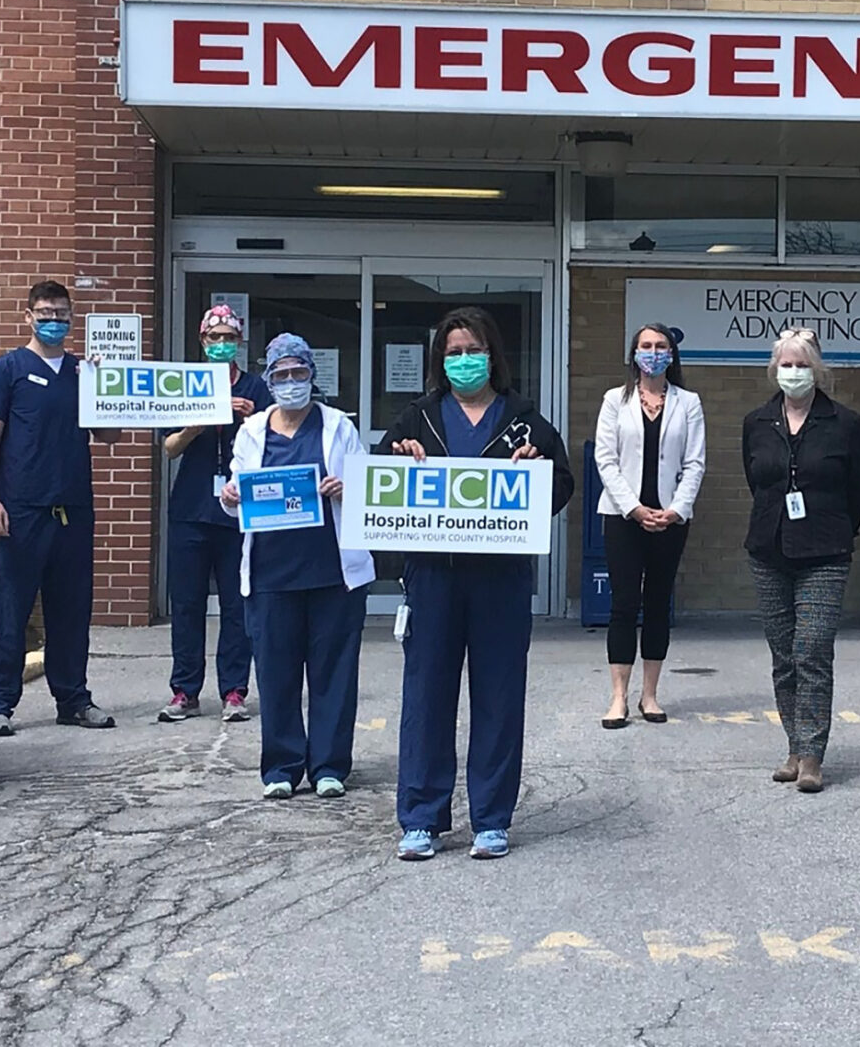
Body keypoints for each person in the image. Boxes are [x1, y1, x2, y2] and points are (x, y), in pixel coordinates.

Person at [382, 307, 576, 861]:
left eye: (474, 350)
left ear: (493, 355)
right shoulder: (417, 418)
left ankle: (491, 818)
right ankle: (421, 818)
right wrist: (402, 461)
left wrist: (533, 469)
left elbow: (561, 484)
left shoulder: (526, 420)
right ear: (440, 361)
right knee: (426, 696)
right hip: (433, 579)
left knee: (498, 696)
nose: (465, 360)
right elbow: (381, 481)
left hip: (499, 580)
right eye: (454, 352)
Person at [220, 335, 373, 800]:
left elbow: (366, 485)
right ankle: (282, 768)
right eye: (281, 375)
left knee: (334, 672)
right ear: (269, 379)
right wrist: (230, 497)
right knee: (276, 672)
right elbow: (237, 490)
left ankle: (328, 766)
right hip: (271, 574)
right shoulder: (253, 431)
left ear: (312, 375)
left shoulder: (337, 426)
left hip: (332, 573)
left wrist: (347, 488)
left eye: (299, 373)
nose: (291, 382)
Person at [0, 281, 120, 735]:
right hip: (22, 510)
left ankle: (73, 698)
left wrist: (106, 388)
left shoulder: (83, 372)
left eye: (61, 312)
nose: (54, 319)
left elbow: (110, 437)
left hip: (73, 508)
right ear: (28, 315)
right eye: (45, 311)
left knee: (72, 610)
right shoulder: (7, 371)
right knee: (10, 609)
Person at [743, 327, 860, 794]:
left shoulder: (846, 423)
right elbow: (756, 480)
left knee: (812, 650)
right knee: (783, 656)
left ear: (817, 370)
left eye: (802, 365)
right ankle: (794, 747)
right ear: (774, 369)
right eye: (785, 364)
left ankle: (814, 755)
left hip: (825, 551)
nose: (793, 372)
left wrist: (839, 527)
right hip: (769, 548)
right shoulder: (758, 422)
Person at [160, 304, 272, 724]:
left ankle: (234, 690)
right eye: (214, 337)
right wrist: (201, 420)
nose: (222, 344)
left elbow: (274, 441)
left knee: (236, 604)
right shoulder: (186, 386)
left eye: (229, 337)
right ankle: (185, 690)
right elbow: (170, 448)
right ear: (201, 341)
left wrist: (249, 419)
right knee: (186, 603)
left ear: (239, 342)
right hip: (191, 508)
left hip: (238, 509)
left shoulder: (257, 388)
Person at [593, 322, 706, 729]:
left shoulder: (688, 402)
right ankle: (618, 697)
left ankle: (650, 695)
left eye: (661, 346)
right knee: (624, 605)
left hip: (671, 520)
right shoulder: (613, 400)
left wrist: (676, 509)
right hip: (624, 517)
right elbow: (605, 460)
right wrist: (634, 509)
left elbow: (694, 463)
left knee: (658, 603)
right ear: (634, 354)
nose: (653, 352)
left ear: (672, 355)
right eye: (646, 346)